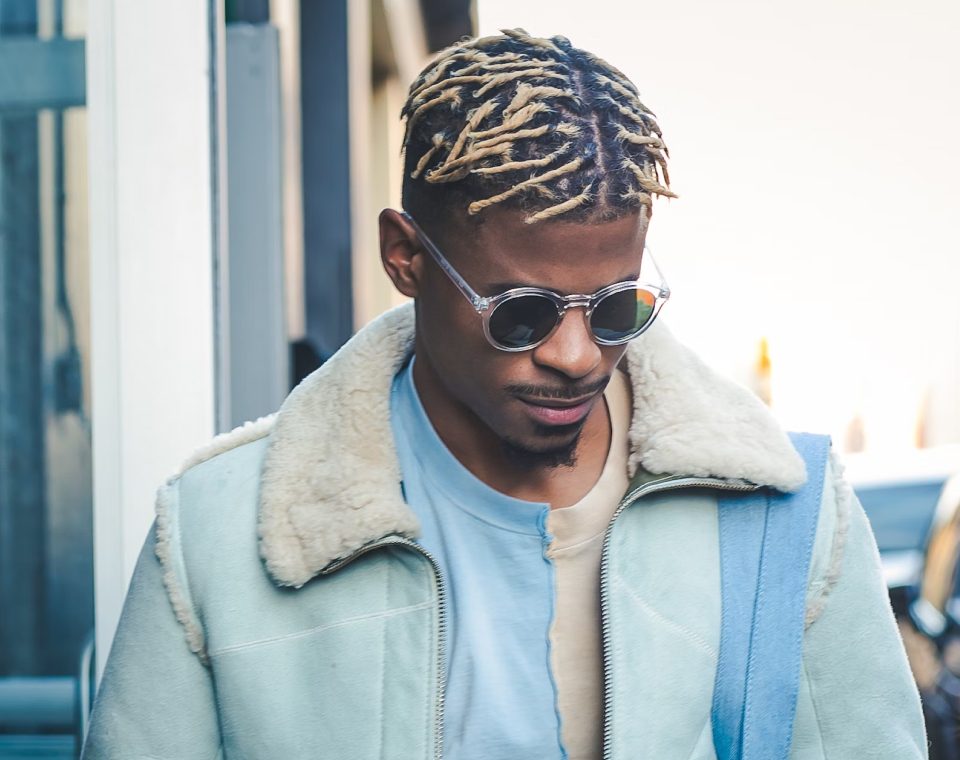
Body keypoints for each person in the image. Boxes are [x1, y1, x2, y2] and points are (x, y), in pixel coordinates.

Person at [82, 28, 926, 760]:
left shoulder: (785, 516)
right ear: (405, 258)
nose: (576, 355)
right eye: (521, 313)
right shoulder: (219, 535)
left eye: (617, 308)